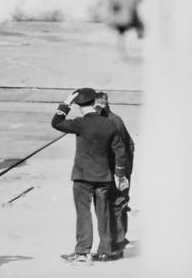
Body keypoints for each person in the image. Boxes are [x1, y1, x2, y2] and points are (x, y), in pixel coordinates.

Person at [52, 87, 129, 263]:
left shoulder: (80, 123)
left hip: (82, 175)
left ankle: (82, 251)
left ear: (79, 105)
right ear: (95, 102)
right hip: (104, 176)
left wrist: (65, 104)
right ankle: (105, 250)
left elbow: (56, 122)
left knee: (83, 213)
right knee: (103, 213)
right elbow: (120, 150)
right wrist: (119, 174)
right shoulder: (109, 124)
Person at [95, 90, 135, 256]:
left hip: (116, 171)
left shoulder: (111, 122)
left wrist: (122, 172)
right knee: (119, 204)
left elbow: (124, 148)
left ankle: (117, 243)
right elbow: (130, 145)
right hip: (119, 169)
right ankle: (119, 239)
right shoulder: (114, 119)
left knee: (116, 205)